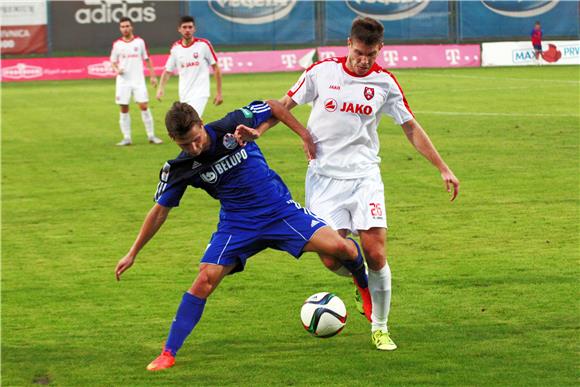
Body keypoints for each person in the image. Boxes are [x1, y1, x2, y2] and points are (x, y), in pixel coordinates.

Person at [115, 100, 370, 371]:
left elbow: (274, 106)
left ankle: (365, 292)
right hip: (237, 226)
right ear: (172, 140)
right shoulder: (180, 168)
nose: (193, 148)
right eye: (184, 145)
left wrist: (298, 134)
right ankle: (169, 352)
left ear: (202, 125)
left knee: (343, 250)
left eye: (196, 139)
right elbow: (159, 212)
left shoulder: (231, 124)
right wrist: (133, 252)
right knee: (204, 279)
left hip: (279, 211)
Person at [257, 17, 460, 351]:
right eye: (360, 52)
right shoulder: (321, 72)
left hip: (365, 177)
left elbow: (410, 127)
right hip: (323, 179)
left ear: (380, 49)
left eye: (372, 54)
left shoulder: (385, 83)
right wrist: (258, 132)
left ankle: (380, 327)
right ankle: (357, 277)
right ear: (349, 43)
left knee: (376, 253)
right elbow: (283, 106)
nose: (364, 60)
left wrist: (442, 167)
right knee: (329, 256)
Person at [109, 17, 162, 146]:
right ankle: (127, 138)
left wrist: (153, 76)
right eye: (122, 26)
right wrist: (117, 69)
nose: (125, 29)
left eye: (127, 26)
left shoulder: (139, 42)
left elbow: (147, 59)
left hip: (138, 81)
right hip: (123, 82)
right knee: (124, 108)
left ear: (131, 27)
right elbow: (112, 61)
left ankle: (151, 136)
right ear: (120, 28)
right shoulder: (117, 44)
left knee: (144, 106)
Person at [156, 16, 223, 117]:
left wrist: (219, 93)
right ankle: (206, 133)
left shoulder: (203, 45)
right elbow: (168, 71)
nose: (187, 30)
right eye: (184, 27)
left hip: (201, 93)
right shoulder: (176, 48)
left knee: (191, 121)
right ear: (179, 29)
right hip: (184, 94)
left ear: (194, 29)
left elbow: (216, 68)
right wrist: (160, 88)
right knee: (191, 124)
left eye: (190, 27)